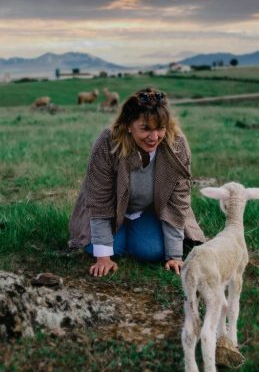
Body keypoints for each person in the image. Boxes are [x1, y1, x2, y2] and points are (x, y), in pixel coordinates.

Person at [67, 87, 206, 277]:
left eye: (160, 128)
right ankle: (119, 236)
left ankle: (135, 235)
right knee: (99, 248)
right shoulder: (108, 143)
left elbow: (178, 200)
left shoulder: (177, 145)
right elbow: (99, 199)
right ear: (129, 125)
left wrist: (174, 255)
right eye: (145, 128)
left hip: (150, 210)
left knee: (151, 251)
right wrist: (104, 258)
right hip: (109, 210)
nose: (154, 137)